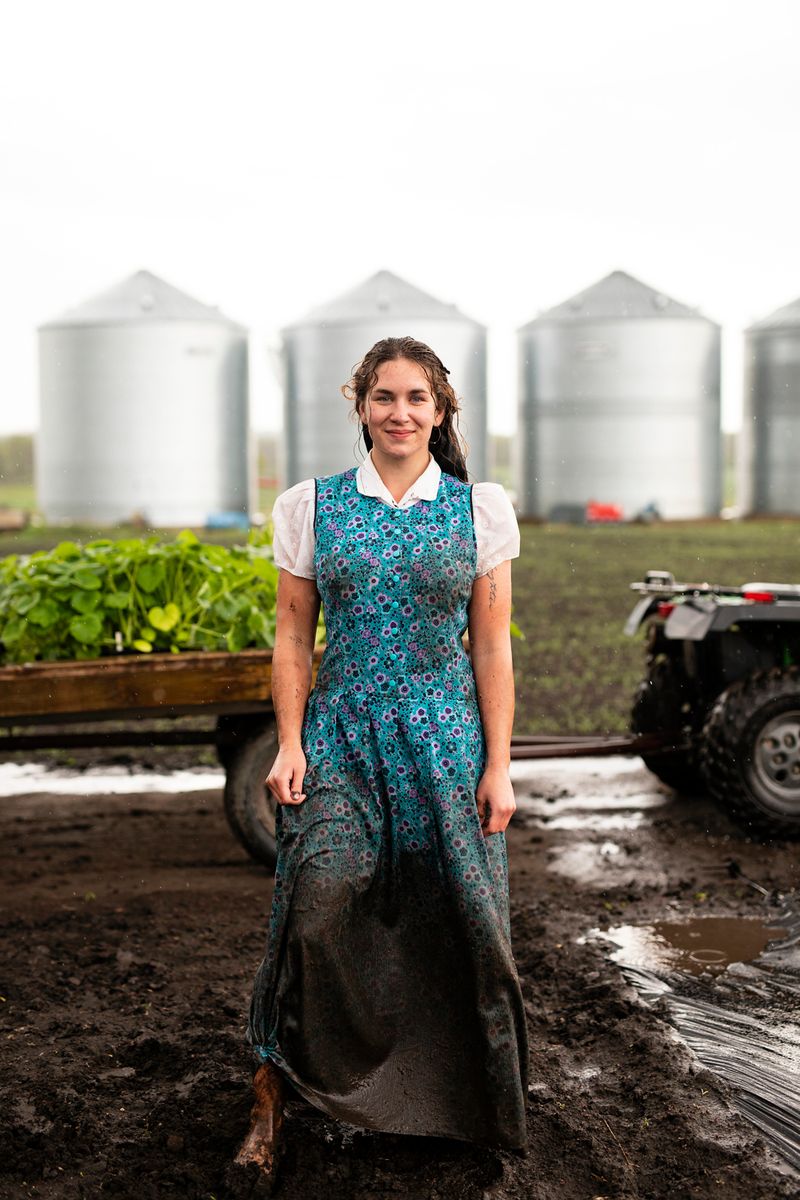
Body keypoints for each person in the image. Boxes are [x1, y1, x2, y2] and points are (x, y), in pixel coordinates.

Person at [234, 336, 528, 1185]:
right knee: (320, 903)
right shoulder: (312, 506)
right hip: (341, 738)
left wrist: (498, 765)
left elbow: (492, 647)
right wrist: (289, 744)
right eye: (384, 397)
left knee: (467, 922)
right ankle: (302, 1088)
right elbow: (294, 633)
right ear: (360, 404)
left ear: (440, 413)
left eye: (417, 399)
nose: (400, 413)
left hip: (445, 743)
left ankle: (465, 1107)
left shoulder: (479, 511)